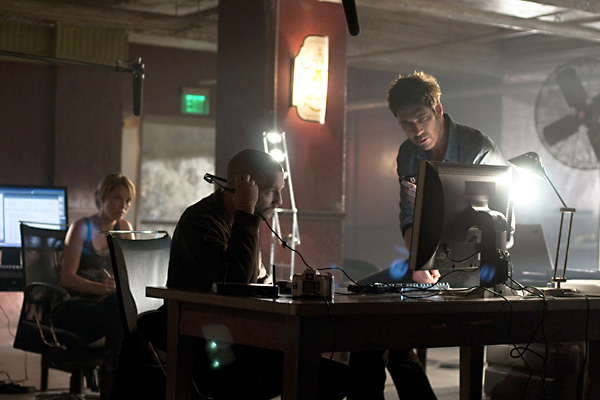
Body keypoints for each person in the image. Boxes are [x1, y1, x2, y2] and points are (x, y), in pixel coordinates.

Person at [348, 71, 507, 400]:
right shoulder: (408, 154)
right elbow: (408, 220)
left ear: (438, 110)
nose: (416, 130)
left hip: (478, 264)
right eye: (406, 123)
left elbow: (497, 226)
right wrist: (419, 260)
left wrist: (430, 254)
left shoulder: (477, 148)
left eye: (421, 118)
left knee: (382, 332)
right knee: (362, 305)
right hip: (428, 262)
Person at [167, 148, 350, 399]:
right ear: (242, 188)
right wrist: (245, 209)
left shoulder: (242, 222)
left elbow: (257, 279)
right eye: (271, 191)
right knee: (321, 375)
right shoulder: (200, 221)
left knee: (332, 373)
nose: (279, 201)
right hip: (207, 346)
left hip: (237, 336)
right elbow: (236, 282)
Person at [51, 173, 135, 400]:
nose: (123, 205)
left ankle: (116, 377)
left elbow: (130, 273)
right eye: (117, 198)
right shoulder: (81, 227)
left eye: (128, 200)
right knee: (118, 309)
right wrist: (101, 288)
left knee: (126, 309)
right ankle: (112, 380)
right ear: (103, 197)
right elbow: (66, 278)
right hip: (73, 305)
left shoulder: (124, 228)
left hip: (107, 307)